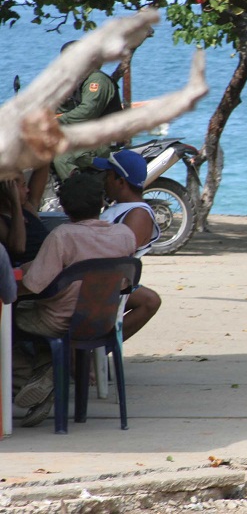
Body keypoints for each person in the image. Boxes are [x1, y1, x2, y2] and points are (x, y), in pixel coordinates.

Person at [12, 173, 136, 428]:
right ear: (102, 203)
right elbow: (122, 280)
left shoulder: (62, 235)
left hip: (56, 320)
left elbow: (36, 284)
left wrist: (11, 288)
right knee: (40, 319)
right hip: (102, 321)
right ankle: (48, 374)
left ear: (64, 207)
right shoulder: (124, 234)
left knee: (13, 316)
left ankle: (35, 376)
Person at [93, 150, 162, 340]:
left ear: (120, 181)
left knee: (150, 301)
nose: (104, 181)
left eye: (108, 176)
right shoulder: (121, 207)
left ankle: (98, 349)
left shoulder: (137, 213)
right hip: (97, 282)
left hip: (104, 285)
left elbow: (119, 254)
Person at [52, 40, 124, 182]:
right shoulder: (77, 82)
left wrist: (57, 121)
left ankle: (78, 195)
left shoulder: (96, 80)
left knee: (61, 158)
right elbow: (60, 107)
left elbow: (87, 111)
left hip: (105, 142)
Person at [0, 166, 50, 266]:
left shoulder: (28, 208)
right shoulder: (2, 220)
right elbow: (18, 248)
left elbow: (43, 166)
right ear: (8, 190)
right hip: (27, 271)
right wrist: (15, 202)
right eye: (23, 186)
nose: (27, 190)